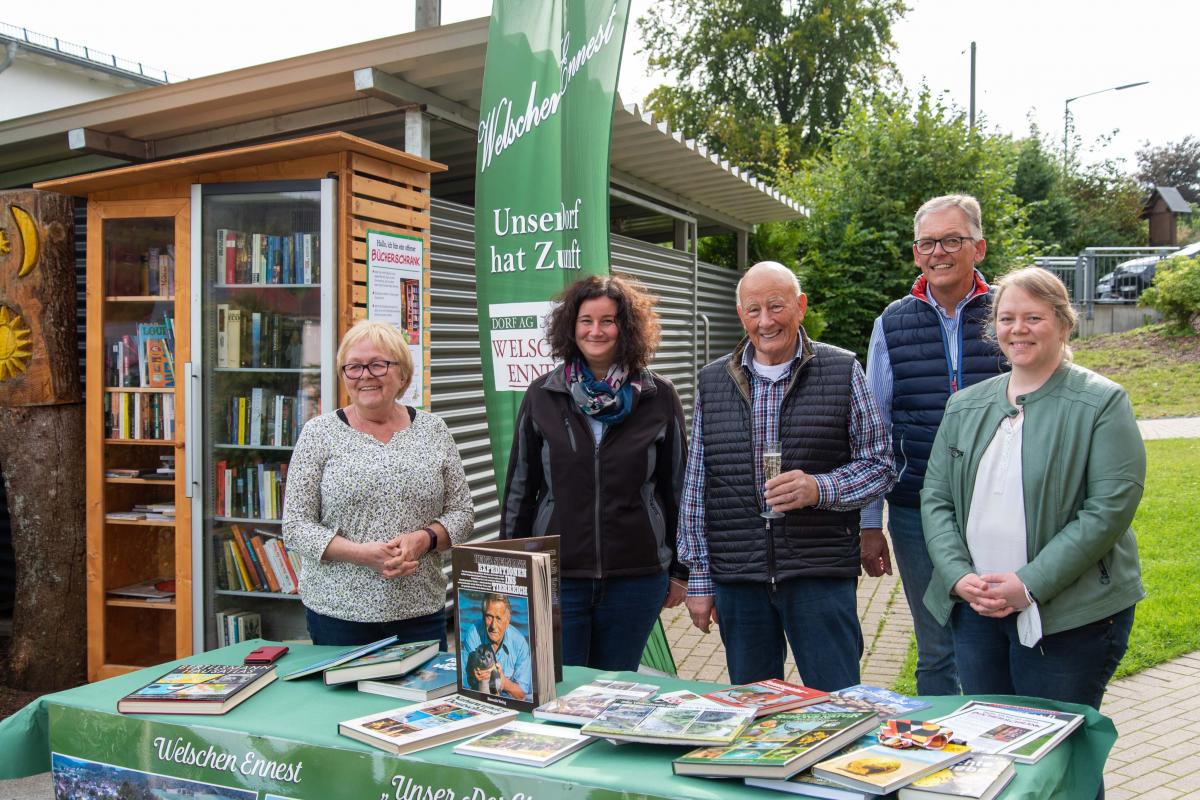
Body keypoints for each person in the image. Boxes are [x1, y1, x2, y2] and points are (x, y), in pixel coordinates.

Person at [922, 266, 1145, 713]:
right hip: (977, 610)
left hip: (1068, 616)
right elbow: (937, 499)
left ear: (1063, 323)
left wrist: (1028, 584)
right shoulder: (964, 406)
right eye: (1007, 318)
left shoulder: (1101, 402)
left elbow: (1108, 510)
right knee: (990, 741)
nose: (1017, 329)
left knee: (1057, 747)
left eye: (1033, 317)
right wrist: (957, 576)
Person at [679, 261, 895, 691]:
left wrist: (820, 488)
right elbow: (697, 484)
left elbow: (880, 465)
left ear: (800, 307)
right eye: (754, 309)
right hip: (739, 577)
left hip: (819, 573)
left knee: (836, 700)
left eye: (776, 306)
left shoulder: (841, 370)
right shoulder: (713, 380)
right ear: (741, 314)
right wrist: (699, 577)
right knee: (755, 706)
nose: (765, 321)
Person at [500, 274, 689, 671]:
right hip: (557, 576)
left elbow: (678, 490)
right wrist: (510, 569)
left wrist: (680, 571)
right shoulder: (543, 395)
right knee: (561, 683)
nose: (596, 331)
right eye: (586, 320)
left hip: (636, 577)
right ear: (571, 327)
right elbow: (520, 488)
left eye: (608, 320)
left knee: (617, 687)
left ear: (627, 328)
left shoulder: (658, 396)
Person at [859, 193, 1007, 696]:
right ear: (916, 254)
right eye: (927, 243)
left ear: (978, 248)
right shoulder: (891, 322)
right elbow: (875, 427)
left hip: (1000, 505)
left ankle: (998, 731)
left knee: (997, 633)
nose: (938, 252)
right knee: (937, 644)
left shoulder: (1007, 313)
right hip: (916, 509)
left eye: (952, 240)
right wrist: (869, 523)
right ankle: (938, 741)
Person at [282, 320, 473, 647]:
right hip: (338, 615)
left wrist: (423, 539)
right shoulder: (319, 434)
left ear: (403, 374)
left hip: (420, 611)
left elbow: (462, 514)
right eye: (354, 367)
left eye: (378, 365)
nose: (365, 375)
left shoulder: (433, 430)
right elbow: (296, 526)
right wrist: (360, 554)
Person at [460, 593, 532, 700]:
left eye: (498, 618)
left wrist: (503, 682)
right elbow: (464, 685)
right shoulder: (473, 634)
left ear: (507, 621)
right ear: (483, 616)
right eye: (489, 617)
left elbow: (522, 694)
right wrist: (475, 675)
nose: (493, 626)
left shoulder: (520, 643)